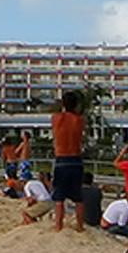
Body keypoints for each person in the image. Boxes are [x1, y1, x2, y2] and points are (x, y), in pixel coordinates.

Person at [52, 90, 87, 232]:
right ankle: (80, 226)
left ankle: (58, 226)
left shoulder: (56, 118)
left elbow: (57, 118)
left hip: (62, 158)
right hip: (76, 159)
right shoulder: (79, 120)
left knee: (59, 197)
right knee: (78, 197)